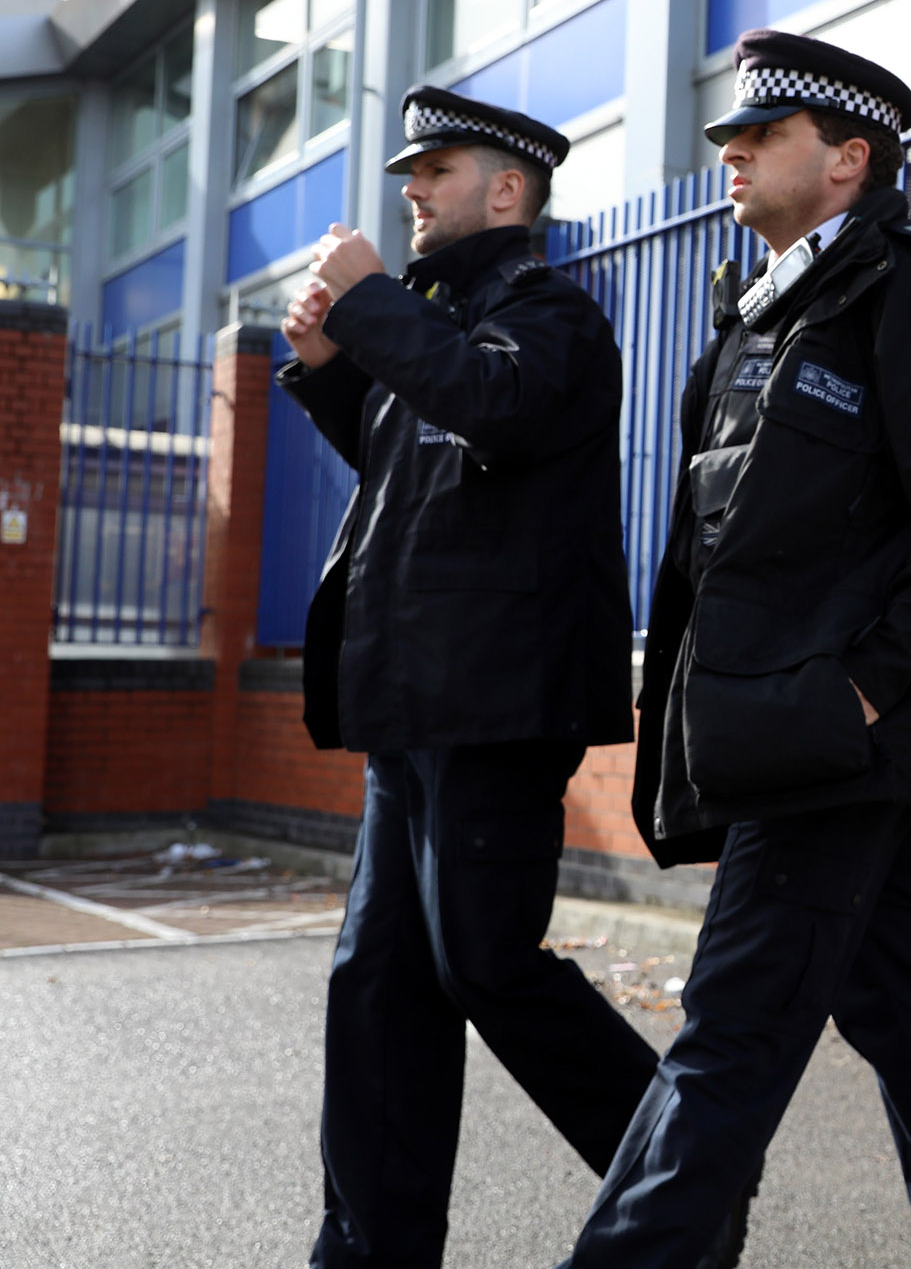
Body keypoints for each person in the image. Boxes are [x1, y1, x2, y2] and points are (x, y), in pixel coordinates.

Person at [560, 30, 911, 1268]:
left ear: (848, 162)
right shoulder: (758, 317)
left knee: (727, 1029)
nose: (729, 152)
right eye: (730, 135)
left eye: (759, 136)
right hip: (784, 723)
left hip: (832, 737)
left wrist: (865, 685)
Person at [277, 86, 662, 1268]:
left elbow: (492, 406)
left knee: (484, 964)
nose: (412, 189)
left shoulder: (552, 319)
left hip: (498, 707)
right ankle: (370, 1246)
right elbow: (424, 466)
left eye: (434, 169)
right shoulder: (435, 327)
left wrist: (374, 304)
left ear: (506, 190)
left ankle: (684, 1177)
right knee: (380, 980)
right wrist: (333, 369)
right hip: (413, 709)